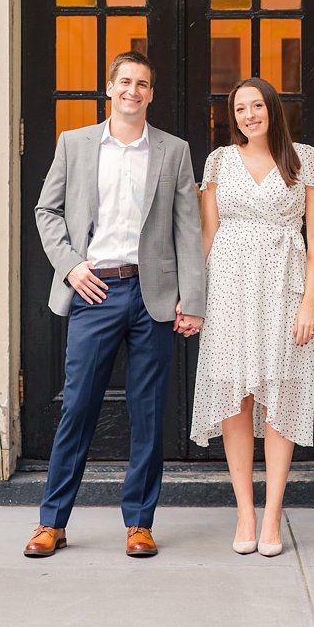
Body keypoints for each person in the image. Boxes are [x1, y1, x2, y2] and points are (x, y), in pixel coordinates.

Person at [24, 51, 206, 560]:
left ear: (151, 93)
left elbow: (187, 230)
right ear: (110, 87)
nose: (133, 90)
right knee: (77, 409)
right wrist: (71, 266)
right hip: (95, 290)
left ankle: (140, 524)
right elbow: (47, 210)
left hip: (153, 297)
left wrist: (191, 301)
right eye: (124, 81)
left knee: (147, 414)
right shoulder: (75, 144)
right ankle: (51, 522)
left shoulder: (173, 151)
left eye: (142, 84)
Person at [190, 76, 314, 557]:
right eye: (239, 109)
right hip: (228, 290)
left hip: (283, 290)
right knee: (235, 399)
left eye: (256, 106)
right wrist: (193, 299)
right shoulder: (218, 161)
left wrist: (309, 302)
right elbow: (206, 237)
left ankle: (273, 515)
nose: (249, 115)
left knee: (279, 400)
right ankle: (245, 511)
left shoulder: (306, 159)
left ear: (271, 108)